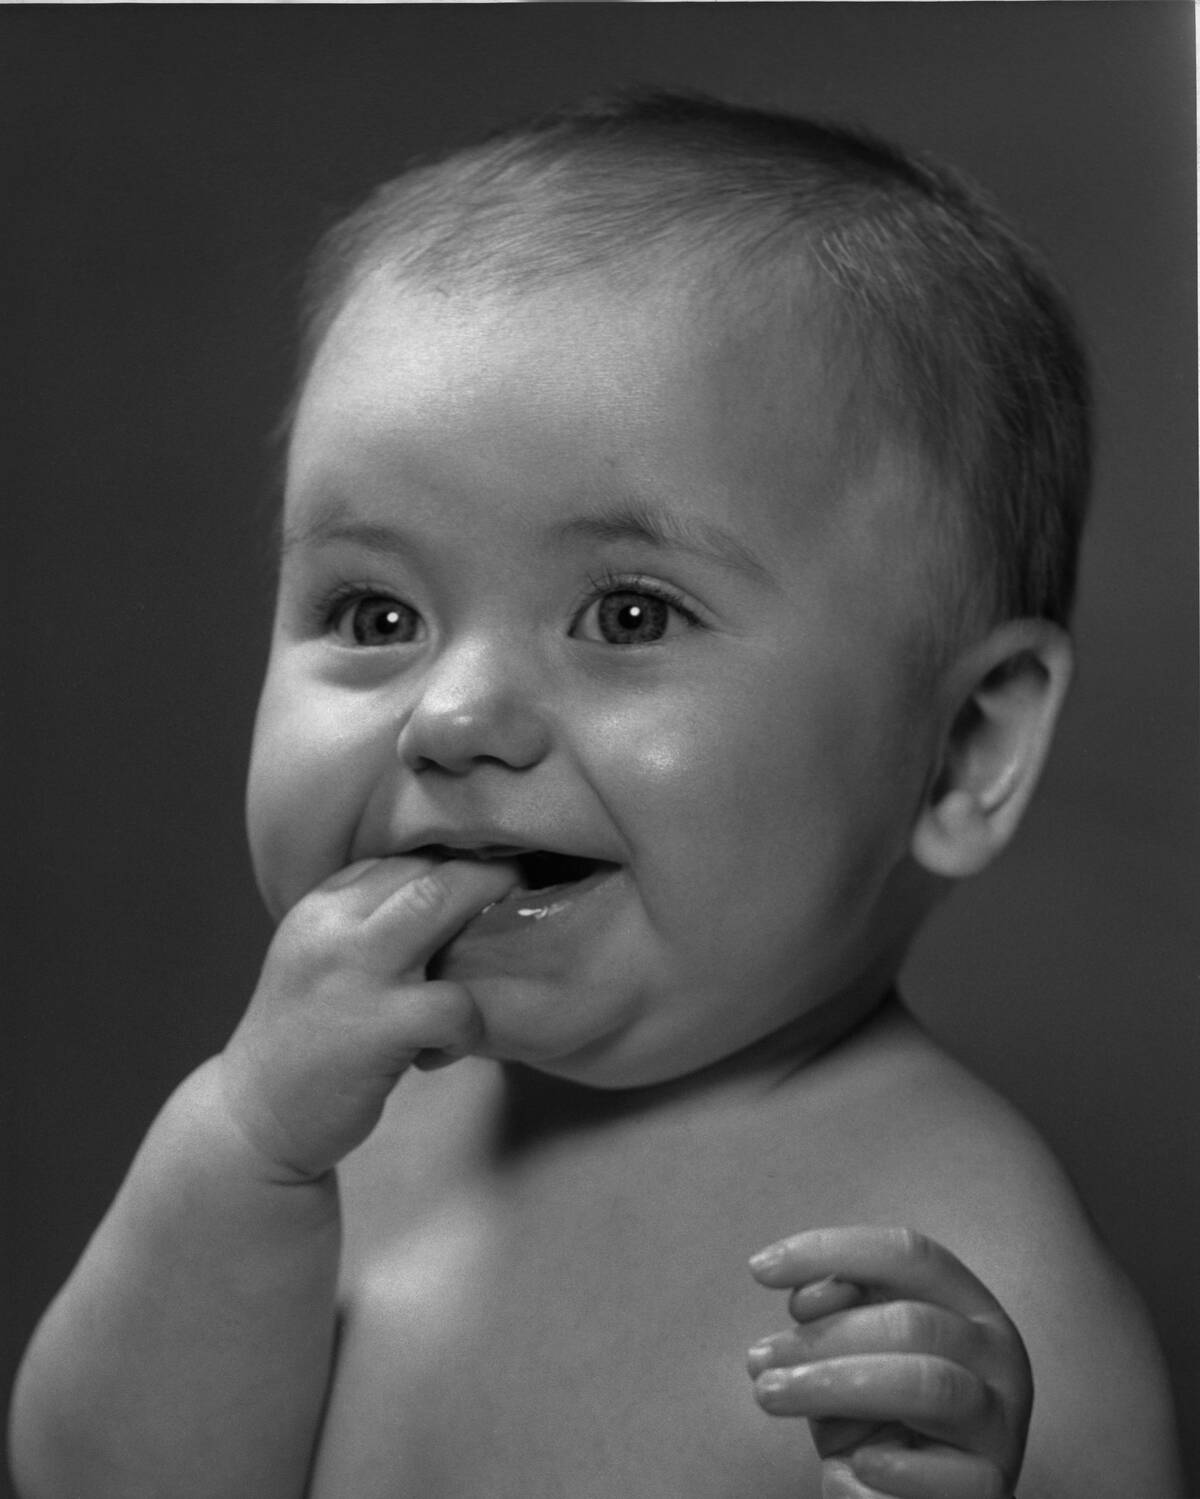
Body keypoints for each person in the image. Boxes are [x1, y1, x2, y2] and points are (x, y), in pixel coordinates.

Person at [9, 91, 1183, 1499]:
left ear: (965, 747)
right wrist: (245, 1151)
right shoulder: (343, 1125)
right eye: (377, 615)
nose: (451, 718)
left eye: (630, 615)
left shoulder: (972, 1284)